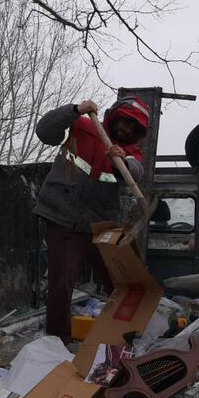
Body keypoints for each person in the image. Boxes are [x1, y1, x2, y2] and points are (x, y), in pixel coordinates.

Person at [34, 96, 151, 345]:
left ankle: (126, 336)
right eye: (124, 121)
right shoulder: (83, 126)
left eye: (133, 127)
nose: (126, 129)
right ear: (114, 115)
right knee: (61, 283)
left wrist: (122, 162)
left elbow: (136, 171)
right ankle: (58, 342)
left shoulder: (131, 152)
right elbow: (45, 131)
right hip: (63, 217)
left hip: (100, 225)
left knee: (119, 280)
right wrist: (75, 110)